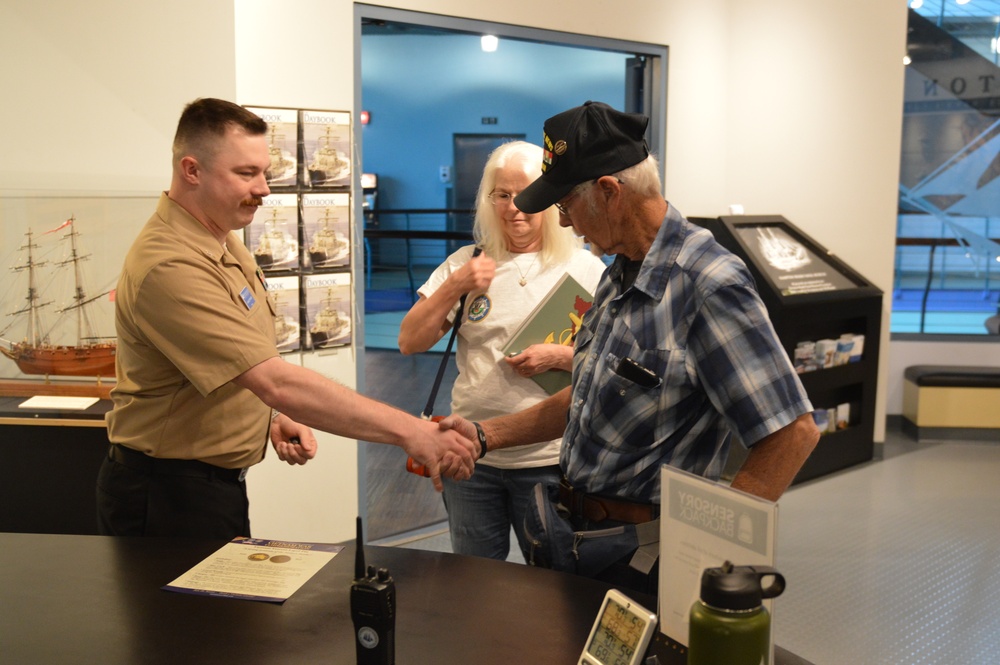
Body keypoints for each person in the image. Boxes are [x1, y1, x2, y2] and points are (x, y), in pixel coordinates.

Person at [440, 101, 820, 594]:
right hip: (577, 540)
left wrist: (712, 556)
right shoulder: (619, 272)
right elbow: (588, 397)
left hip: (647, 556)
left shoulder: (706, 284)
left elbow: (792, 432)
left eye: (566, 205)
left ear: (609, 192)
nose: (568, 223)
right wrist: (483, 434)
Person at [97, 98, 477, 540]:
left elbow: (232, 363)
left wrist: (269, 418)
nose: (264, 189)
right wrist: (412, 432)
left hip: (208, 487)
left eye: (264, 172)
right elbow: (274, 379)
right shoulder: (171, 265)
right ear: (192, 170)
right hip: (166, 497)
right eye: (246, 173)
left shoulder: (221, 241)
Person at [398, 141, 607, 561]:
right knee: (476, 587)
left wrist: (559, 358)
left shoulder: (585, 268)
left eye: (527, 195)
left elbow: (609, 365)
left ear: (549, 199)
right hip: (470, 459)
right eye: (502, 195)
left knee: (552, 587)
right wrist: (457, 285)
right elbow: (410, 341)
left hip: (550, 460)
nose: (515, 208)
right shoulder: (465, 263)